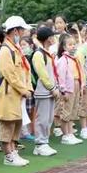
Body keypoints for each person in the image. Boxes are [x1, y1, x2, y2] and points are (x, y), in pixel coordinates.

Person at [0, 16, 32, 167]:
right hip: (10, 93)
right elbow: (9, 74)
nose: (23, 32)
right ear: (15, 31)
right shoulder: (6, 50)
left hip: (18, 94)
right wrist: (24, 89)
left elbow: (25, 70)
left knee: (16, 123)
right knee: (8, 124)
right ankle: (8, 155)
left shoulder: (16, 49)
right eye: (22, 30)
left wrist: (27, 88)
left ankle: (13, 152)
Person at [32, 27, 60, 157]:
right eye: (52, 36)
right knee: (42, 118)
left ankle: (45, 142)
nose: (54, 38)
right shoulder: (39, 54)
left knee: (48, 118)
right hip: (43, 91)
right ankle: (39, 144)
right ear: (48, 38)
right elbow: (42, 75)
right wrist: (52, 88)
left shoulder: (46, 53)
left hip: (49, 91)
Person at [57, 34, 83, 145]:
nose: (73, 46)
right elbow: (61, 76)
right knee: (66, 111)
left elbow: (80, 73)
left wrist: (82, 86)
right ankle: (65, 135)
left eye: (74, 44)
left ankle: (70, 133)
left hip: (76, 84)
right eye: (70, 44)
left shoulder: (74, 59)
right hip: (68, 88)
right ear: (64, 47)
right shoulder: (63, 60)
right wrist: (63, 90)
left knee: (73, 110)